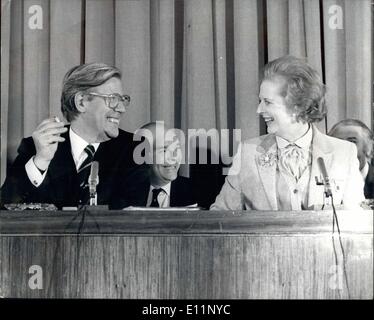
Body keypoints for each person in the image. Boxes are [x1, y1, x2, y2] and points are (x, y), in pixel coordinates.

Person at [211, 55, 364, 211]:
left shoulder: (344, 153)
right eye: (260, 101)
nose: (259, 110)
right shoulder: (247, 153)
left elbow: (355, 221)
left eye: (268, 102)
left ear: (297, 105)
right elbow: (219, 217)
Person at [0, 62, 145, 209]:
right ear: (81, 102)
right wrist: (41, 161)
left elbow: (130, 219)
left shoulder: (135, 149)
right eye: (113, 99)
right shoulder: (36, 147)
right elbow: (4, 207)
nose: (121, 109)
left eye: (123, 100)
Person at [133, 121, 197, 208]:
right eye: (164, 150)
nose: (173, 157)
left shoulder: (198, 193)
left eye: (176, 148)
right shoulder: (124, 192)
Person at [328, 119, 374, 199]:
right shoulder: (322, 182)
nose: (345, 148)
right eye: (338, 142)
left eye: (352, 142)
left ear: (368, 148)